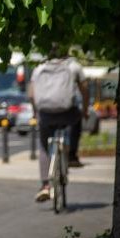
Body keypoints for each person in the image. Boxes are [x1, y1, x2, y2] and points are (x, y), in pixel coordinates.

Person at [28, 45, 89, 202]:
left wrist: (36, 112)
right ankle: (72, 155)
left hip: (45, 114)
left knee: (43, 146)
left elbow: (31, 94)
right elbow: (85, 89)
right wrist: (85, 111)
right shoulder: (74, 66)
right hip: (67, 112)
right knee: (77, 119)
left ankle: (45, 185)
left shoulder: (39, 68)